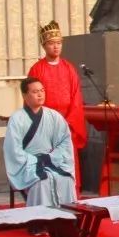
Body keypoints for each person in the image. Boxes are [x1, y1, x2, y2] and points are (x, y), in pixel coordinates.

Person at [27, 21, 87, 194]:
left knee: (67, 163)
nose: (56, 47)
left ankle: (70, 193)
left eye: (59, 43)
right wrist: (44, 122)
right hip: (45, 124)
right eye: (52, 43)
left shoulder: (69, 68)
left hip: (67, 123)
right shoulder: (37, 69)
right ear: (44, 45)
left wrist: (67, 122)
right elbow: (32, 97)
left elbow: (76, 98)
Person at [3, 78, 77, 211]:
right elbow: (13, 150)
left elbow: (64, 142)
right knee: (42, 181)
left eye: (42, 91)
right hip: (28, 164)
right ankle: (40, 220)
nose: (40, 94)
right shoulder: (17, 119)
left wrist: (51, 157)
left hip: (51, 161)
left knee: (65, 179)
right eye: (35, 91)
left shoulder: (54, 116)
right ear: (25, 96)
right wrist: (36, 160)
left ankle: (68, 218)